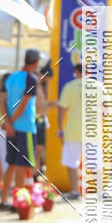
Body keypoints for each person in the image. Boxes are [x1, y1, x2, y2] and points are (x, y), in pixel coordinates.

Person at [0, 50, 40, 211]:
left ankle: (3, 201)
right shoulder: (31, 79)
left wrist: (7, 122)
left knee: (11, 164)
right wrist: (11, 122)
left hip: (11, 128)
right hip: (25, 127)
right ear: (35, 62)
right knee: (23, 166)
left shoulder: (10, 77)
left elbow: (2, 101)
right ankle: (18, 201)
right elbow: (23, 105)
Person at [57, 62, 83, 199]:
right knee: (95, 161)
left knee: (71, 162)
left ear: (76, 72)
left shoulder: (69, 87)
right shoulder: (98, 87)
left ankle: (75, 191)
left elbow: (61, 111)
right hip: (92, 131)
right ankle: (99, 191)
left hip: (73, 130)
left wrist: (60, 129)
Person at [35, 61, 56, 175]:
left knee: (39, 150)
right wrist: (49, 105)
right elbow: (34, 106)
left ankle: (35, 172)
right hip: (36, 120)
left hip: (41, 120)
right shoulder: (34, 86)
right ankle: (33, 174)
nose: (48, 82)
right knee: (36, 150)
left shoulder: (41, 87)